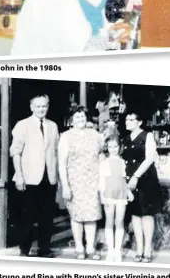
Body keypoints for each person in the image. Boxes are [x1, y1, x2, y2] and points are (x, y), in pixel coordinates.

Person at [9, 94, 59, 257]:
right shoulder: (22, 125)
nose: (41, 109)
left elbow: (56, 152)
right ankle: (25, 250)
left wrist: (57, 178)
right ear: (31, 107)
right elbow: (15, 152)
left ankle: (43, 249)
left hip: (48, 178)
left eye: (44, 106)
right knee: (27, 216)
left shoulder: (53, 126)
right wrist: (19, 176)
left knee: (47, 217)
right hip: (29, 178)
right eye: (38, 106)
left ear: (48, 106)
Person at [58, 106, 103, 260]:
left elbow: (102, 154)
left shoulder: (96, 135)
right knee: (77, 216)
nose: (80, 119)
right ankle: (79, 247)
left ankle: (91, 248)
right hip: (74, 182)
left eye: (83, 116)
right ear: (71, 120)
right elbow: (61, 163)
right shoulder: (65, 137)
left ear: (87, 118)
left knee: (92, 215)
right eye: (77, 117)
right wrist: (65, 186)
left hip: (93, 181)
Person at [122, 111, 162, 263]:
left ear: (139, 122)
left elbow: (150, 158)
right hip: (130, 181)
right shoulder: (125, 139)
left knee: (146, 214)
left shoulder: (148, 136)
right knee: (135, 214)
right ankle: (139, 248)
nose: (127, 122)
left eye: (130, 120)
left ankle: (147, 249)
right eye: (126, 120)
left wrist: (136, 176)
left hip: (145, 180)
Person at [99, 135, 134, 262]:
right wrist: (102, 196)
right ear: (106, 148)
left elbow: (125, 180)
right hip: (108, 194)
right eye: (110, 147)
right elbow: (101, 181)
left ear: (119, 147)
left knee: (119, 222)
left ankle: (117, 250)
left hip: (121, 194)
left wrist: (129, 192)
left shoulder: (123, 162)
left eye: (115, 147)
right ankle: (110, 250)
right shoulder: (104, 163)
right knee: (109, 221)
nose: (113, 149)